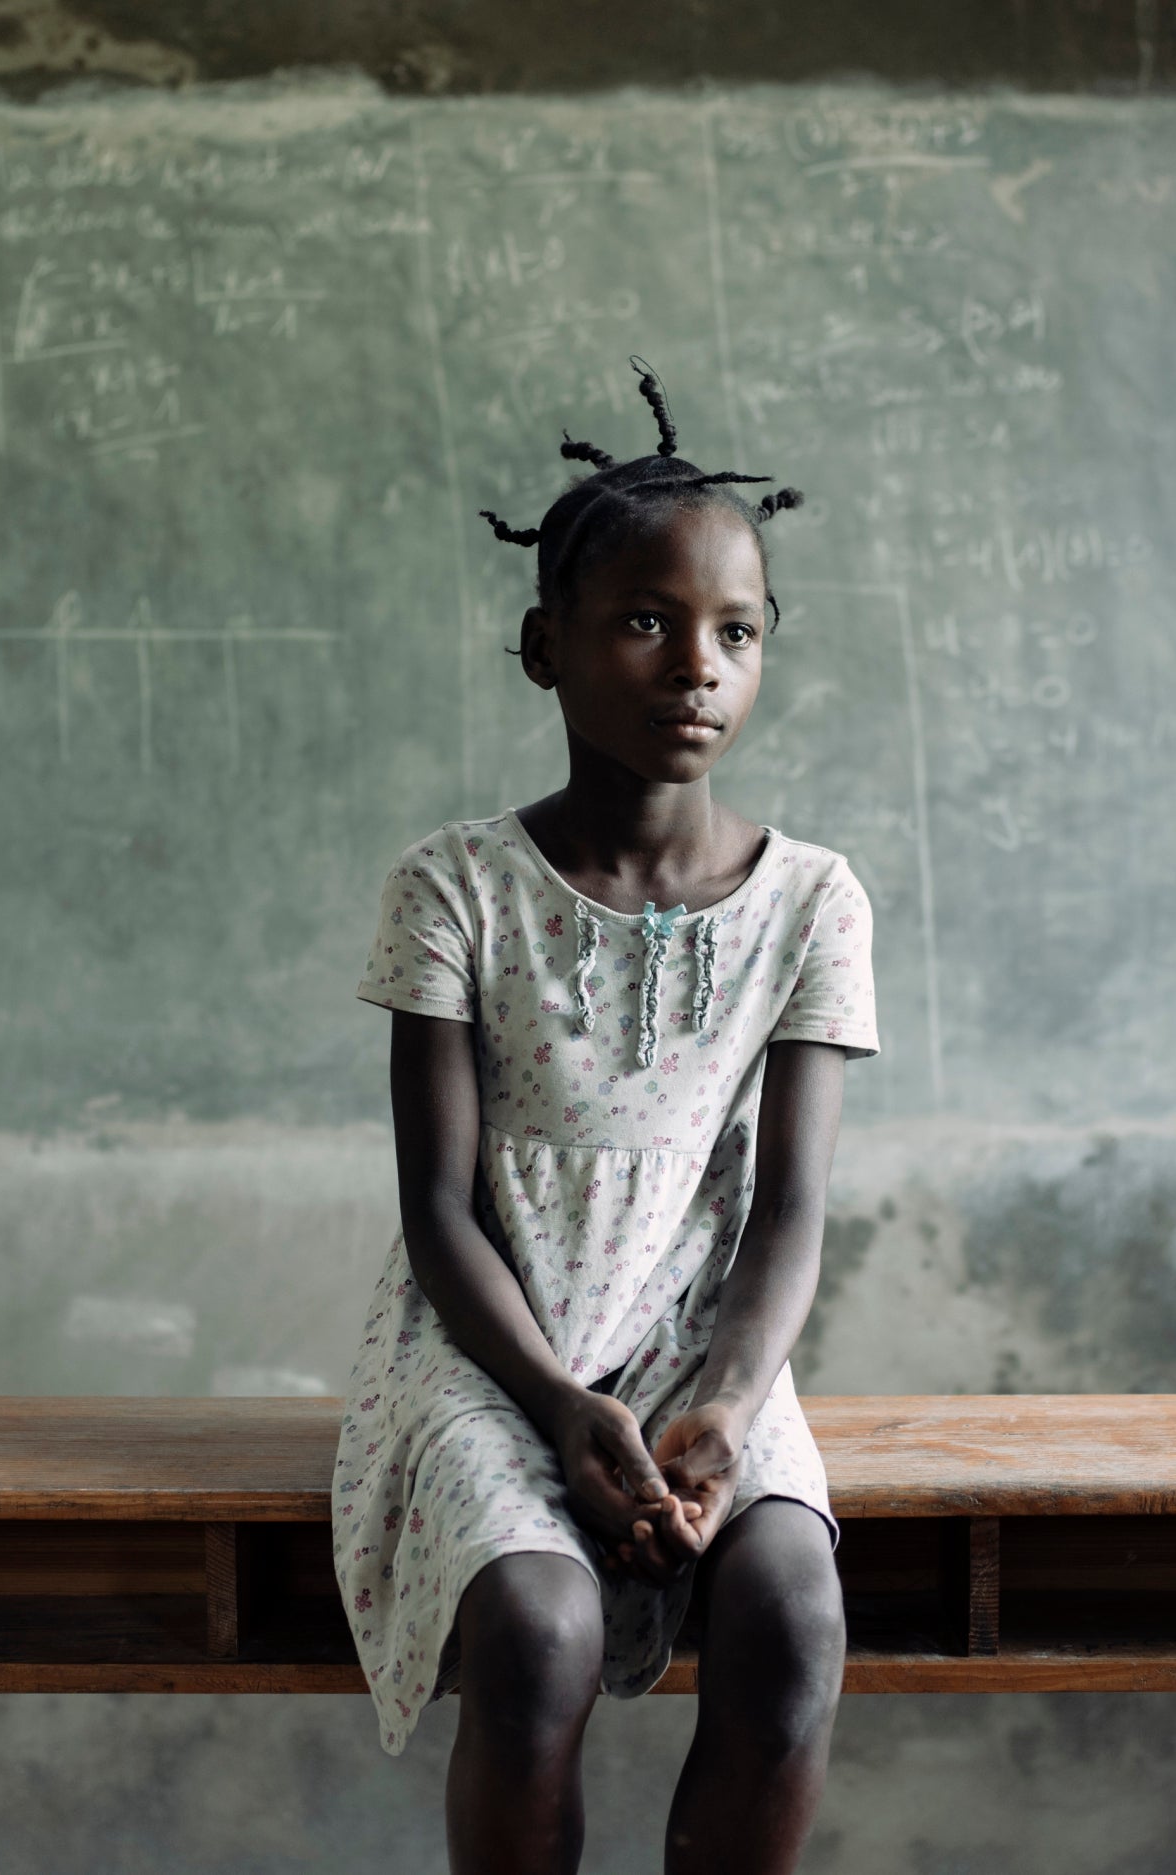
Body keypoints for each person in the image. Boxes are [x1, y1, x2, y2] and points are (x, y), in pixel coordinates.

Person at [334, 358, 879, 1875]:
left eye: (736, 631)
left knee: (792, 1612)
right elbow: (438, 1209)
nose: (695, 665)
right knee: (539, 1626)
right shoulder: (451, 890)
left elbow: (787, 1211)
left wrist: (721, 1400)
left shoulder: (812, 902)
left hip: (703, 1349)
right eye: (645, 620)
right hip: (491, 1355)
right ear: (544, 649)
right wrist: (565, 1410)